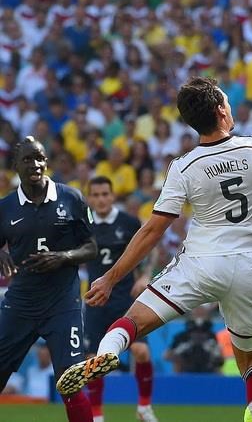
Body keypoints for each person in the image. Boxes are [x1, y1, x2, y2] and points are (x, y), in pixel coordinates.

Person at [55, 76, 252, 422]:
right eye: (227, 102)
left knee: (131, 323)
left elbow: (154, 229)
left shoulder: (184, 166)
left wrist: (110, 278)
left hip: (200, 265)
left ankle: (108, 352)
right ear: (221, 110)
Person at [0, 136, 98, 422]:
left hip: (62, 303)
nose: (36, 164)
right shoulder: (5, 208)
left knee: (71, 381)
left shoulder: (72, 198)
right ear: (15, 165)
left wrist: (63, 257)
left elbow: (91, 247)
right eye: (28, 159)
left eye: (40, 158)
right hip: (21, 303)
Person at [85, 175, 158, 422]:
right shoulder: (84, 225)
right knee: (92, 362)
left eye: (105, 194)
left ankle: (144, 408)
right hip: (95, 302)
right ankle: (97, 416)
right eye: (95, 195)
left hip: (125, 300)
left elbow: (148, 246)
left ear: (112, 195)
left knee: (141, 353)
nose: (101, 199)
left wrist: (145, 274)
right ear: (89, 198)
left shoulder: (127, 222)